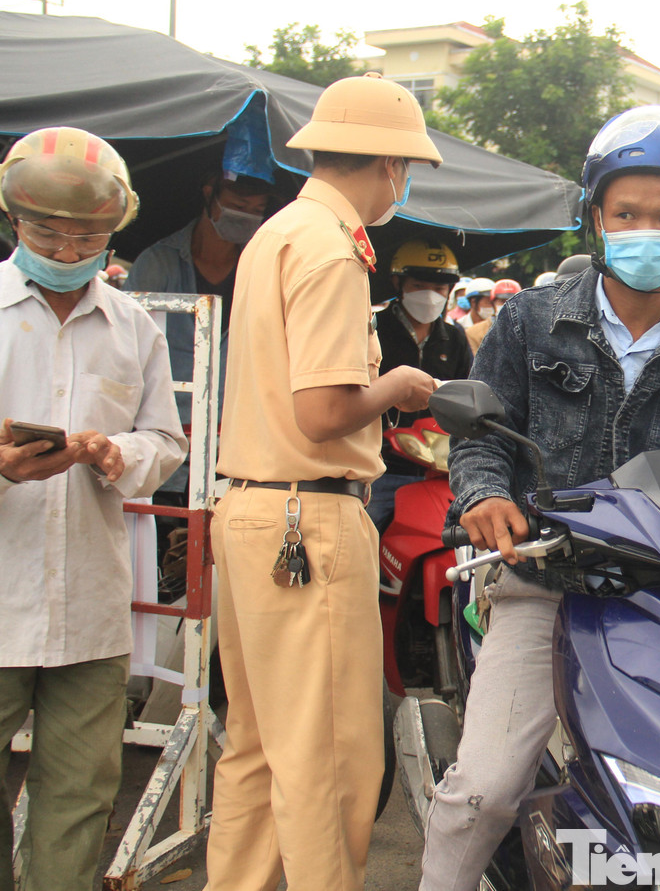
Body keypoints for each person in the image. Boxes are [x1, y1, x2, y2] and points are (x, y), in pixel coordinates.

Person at [420, 103, 660, 891]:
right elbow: (481, 435)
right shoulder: (532, 322)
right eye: (628, 212)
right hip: (543, 585)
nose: (647, 229)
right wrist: (484, 495)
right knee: (488, 786)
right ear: (597, 218)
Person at [208, 74, 440, 891]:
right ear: (387, 164)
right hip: (307, 516)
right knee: (329, 761)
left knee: (256, 748)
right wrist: (401, 386)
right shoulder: (334, 246)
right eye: (404, 171)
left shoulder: (278, 231)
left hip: (248, 508)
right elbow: (325, 410)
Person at [0, 126, 186, 891]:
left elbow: (164, 438)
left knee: (80, 799)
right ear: (16, 218)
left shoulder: (133, 326)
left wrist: (122, 456)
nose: (69, 246)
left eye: (89, 235)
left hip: (91, 605)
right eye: (50, 229)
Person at [124, 168, 277, 504]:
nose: (245, 217)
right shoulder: (157, 264)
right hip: (163, 450)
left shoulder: (267, 268)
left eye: (255, 211)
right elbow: (123, 353)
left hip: (238, 456)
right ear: (209, 194)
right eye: (238, 205)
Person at [368, 238, 475, 533]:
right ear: (398, 283)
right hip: (380, 468)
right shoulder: (373, 330)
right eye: (419, 287)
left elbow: (466, 396)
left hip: (438, 470)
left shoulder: (454, 339)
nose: (430, 296)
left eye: (439, 290)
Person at [464, 278, 519, 352]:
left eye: (513, 301)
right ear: (493, 304)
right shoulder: (474, 333)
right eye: (502, 301)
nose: (508, 305)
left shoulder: (531, 328)